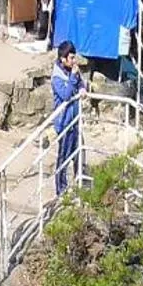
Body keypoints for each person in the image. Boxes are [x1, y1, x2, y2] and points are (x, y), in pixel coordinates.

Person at [51, 40, 84, 195]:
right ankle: (61, 190)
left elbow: (80, 83)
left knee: (79, 155)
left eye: (74, 57)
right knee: (63, 157)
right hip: (64, 122)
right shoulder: (57, 77)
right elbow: (65, 95)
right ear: (63, 59)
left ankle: (81, 185)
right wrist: (73, 77)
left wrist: (82, 88)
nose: (74, 60)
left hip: (75, 121)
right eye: (71, 58)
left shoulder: (72, 71)